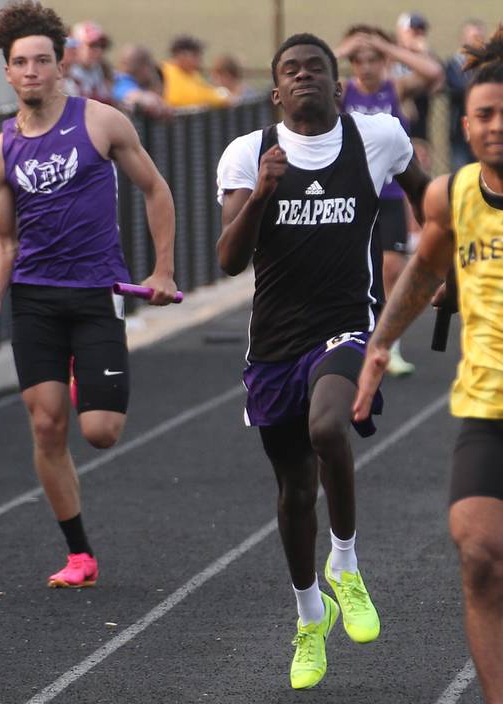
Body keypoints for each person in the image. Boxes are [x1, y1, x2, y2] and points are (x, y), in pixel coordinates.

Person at [216, 33, 430, 689]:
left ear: (339, 88)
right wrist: (262, 193)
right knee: (293, 492)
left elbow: (431, 196)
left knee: (329, 429)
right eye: (291, 70)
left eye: (317, 69)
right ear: (276, 91)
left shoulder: (378, 139)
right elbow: (228, 260)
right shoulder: (248, 153)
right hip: (275, 345)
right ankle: (310, 614)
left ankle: (345, 561)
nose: (304, 76)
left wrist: (437, 262)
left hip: (346, 328)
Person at [0, 0, 178, 589]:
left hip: (96, 292)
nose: (33, 70)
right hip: (35, 298)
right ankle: (80, 555)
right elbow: (3, 238)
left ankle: (77, 377)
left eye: (43, 59)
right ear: (9, 73)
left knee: (99, 432)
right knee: (46, 427)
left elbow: (156, 190)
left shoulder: (102, 123)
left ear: (60, 65)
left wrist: (162, 270)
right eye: (22, 62)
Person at [354, 27, 503, 704]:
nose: (496, 127)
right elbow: (422, 271)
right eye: (485, 115)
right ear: (465, 124)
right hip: (486, 404)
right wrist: (381, 345)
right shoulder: (453, 195)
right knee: (478, 554)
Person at [337, 24, 444, 376]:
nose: (366, 67)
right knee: (352, 269)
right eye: (359, 59)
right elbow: (304, 78)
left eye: (374, 59)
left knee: (394, 267)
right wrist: (342, 48)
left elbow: (432, 72)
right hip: (353, 192)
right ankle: (351, 339)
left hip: (392, 191)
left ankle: (389, 345)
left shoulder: (394, 88)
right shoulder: (342, 93)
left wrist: (390, 47)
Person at [393, 12, 442, 141]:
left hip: (419, 128)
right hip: (393, 124)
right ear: (401, 32)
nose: (419, 36)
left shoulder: (428, 58)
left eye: (422, 32)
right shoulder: (390, 56)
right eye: (414, 32)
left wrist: (424, 52)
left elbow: (438, 84)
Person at [446, 19, 488, 170]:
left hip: (485, 130)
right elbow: (459, 87)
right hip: (460, 133)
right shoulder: (453, 64)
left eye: (480, 37)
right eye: (473, 36)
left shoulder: (490, 64)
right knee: (461, 174)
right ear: (463, 39)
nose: (477, 41)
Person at [162, 35, 230, 109]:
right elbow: (176, 98)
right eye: (195, 55)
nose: (199, 60)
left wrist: (220, 97)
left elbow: (205, 92)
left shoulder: (193, 74)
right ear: (182, 55)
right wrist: (217, 98)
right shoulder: (166, 71)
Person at [112, 45, 173, 120]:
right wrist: (150, 99)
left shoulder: (143, 84)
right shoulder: (122, 80)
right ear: (145, 68)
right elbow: (129, 94)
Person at [65, 20, 114, 104]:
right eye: (92, 45)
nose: (98, 50)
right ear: (76, 46)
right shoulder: (64, 74)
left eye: (102, 46)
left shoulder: (105, 72)